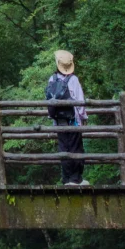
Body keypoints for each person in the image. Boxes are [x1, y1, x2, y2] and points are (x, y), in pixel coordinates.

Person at [46, 50, 88, 186]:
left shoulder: (52, 79)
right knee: (76, 148)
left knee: (63, 148)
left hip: (59, 121)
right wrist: (83, 118)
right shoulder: (73, 79)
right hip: (73, 121)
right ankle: (76, 179)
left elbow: (49, 100)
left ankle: (66, 179)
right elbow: (80, 102)